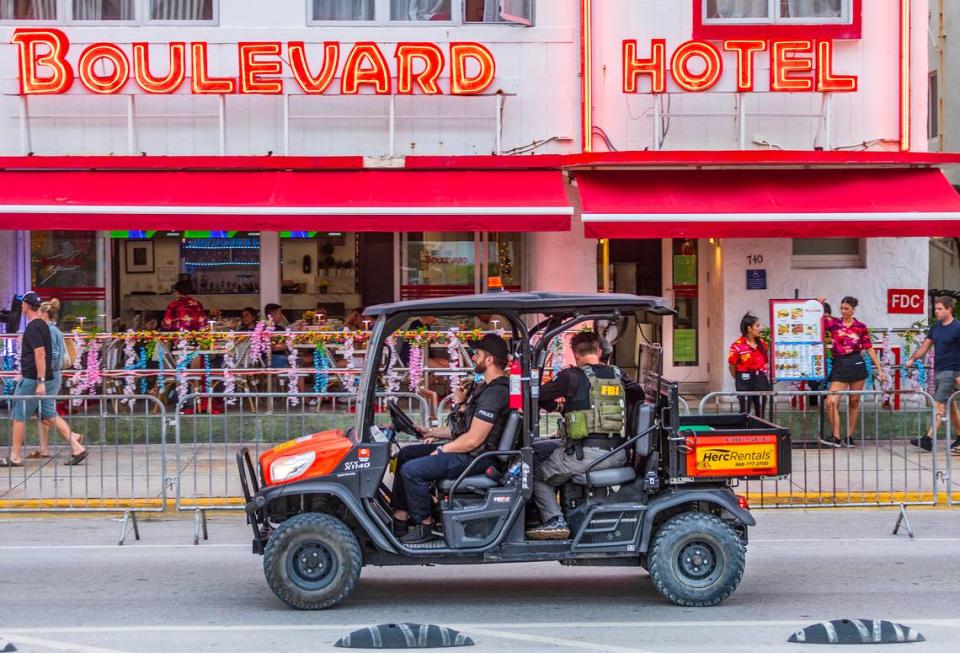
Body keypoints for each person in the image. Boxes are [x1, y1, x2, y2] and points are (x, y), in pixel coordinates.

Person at [391, 334, 510, 544]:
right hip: (470, 451)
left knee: (413, 470)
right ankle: (401, 517)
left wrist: (443, 450)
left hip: (477, 457)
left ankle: (424, 525)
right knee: (407, 455)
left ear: (489, 360)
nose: (473, 359)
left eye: (477, 355)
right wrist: (431, 432)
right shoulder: (484, 388)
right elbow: (464, 429)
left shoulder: (496, 393)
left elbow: (473, 439)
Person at [526, 331, 644, 541]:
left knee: (533, 472)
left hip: (587, 457)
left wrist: (559, 406)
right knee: (542, 449)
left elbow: (537, 394)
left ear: (574, 354)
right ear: (599, 350)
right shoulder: (618, 375)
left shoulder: (571, 376)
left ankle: (555, 520)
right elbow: (638, 395)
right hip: (618, 452)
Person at [1, 292, 87, 467]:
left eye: (22, 304)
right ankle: (76, 445)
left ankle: (15, 456)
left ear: (25, 305)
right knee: (46, 413)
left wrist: (40, 381)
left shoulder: (34, 327)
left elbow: (40, 355)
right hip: (38, 378)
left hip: (32, 380)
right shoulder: (42, 326)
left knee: (19, 415)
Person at [818, 296, 887, 448]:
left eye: (847, 309)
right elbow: (816, 320)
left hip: (856, 362)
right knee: (831, 401)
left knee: (854, 401)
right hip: (840, 364)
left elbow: (869, 347)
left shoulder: (860, 327)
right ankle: (836, 436)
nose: (843, 311)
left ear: (853, 309)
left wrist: (880, 369)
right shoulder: (834, 323)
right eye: (841, 308)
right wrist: (818, 304)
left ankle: (849, 436)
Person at [30, 299, 87, 461]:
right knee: (42, 411)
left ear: (45, 315)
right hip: (51, 375)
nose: (37, 315)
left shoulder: (50, 331)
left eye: (39, 312)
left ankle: (74, 441)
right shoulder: (51, 330)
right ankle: (45, 448)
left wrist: (44, 373)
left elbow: (53, 355)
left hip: (50, 376)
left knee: (46, 411)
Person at [906, 296, 960, 454]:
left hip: (952, 371)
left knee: (939, 404)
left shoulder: (957, 327)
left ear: (949, 309)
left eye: (940, 309)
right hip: (939, 370)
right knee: (951, 406)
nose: (936, 311)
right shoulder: (935, 327)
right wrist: (912, 358)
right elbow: (925, 346)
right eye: (935, 309)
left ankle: (928, 439)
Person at [727, 313, 772, 417]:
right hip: (744, 379)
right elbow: (732, 366)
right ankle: (745, 431)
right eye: (757, 326)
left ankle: (761, 431)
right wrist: (740, 379)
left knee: (760, 409)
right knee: (745, 411)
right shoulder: (737, 346)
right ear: (749, 328)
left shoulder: (762, 344)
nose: (760, 328)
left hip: (760, 379)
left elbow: (765, 362)